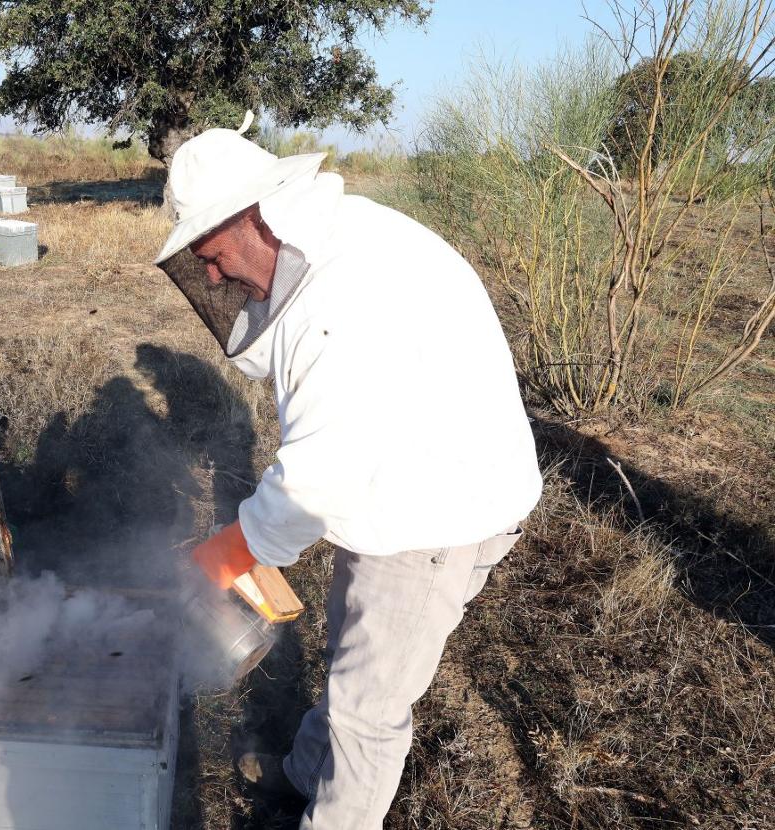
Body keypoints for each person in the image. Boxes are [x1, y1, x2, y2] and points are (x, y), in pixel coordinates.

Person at [156, 113, 543, 829]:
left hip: (438, 510)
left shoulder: (340, 300)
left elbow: (316, 478)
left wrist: (230, 550)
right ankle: (306, 771)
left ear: (261, 218)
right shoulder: (343, 236)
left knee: (370, 711)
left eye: (211, 253)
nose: (209, 275)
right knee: (360, 655)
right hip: (422, 474)